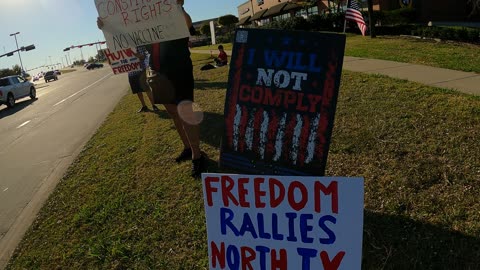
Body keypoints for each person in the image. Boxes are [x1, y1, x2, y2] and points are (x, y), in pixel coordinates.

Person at [146, 1, 205, 177]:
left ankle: (197, 155)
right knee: (172, 111)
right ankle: (187, 147)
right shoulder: (147, 21)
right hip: (158, 72)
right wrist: (108, 25)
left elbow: (188, 24)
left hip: (179, 70)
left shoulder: (177, 14)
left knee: (185, 112)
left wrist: (177, 6)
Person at [129, 46, 159, 113]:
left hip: (140, 71)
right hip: (131, 73)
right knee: (137, 91)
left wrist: (132, 52)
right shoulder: (121, 49)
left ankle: (154, 106)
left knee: (146, 88)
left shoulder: (138, 46)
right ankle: (144, 106)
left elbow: (143, 57)